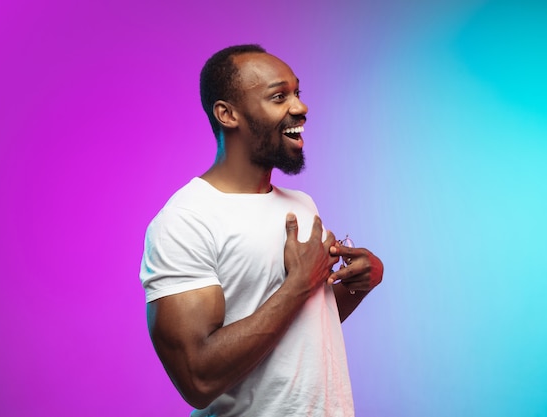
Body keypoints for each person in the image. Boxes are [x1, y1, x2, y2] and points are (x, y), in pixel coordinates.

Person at [140, 44, 384, 417]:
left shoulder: (301, 205)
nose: (300, 108)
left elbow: (303, 332)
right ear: (227, 114)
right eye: (279, 97)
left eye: (297, 93)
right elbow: (197, 380)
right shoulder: (185, 221)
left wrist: (357, 285)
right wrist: (299, 283)